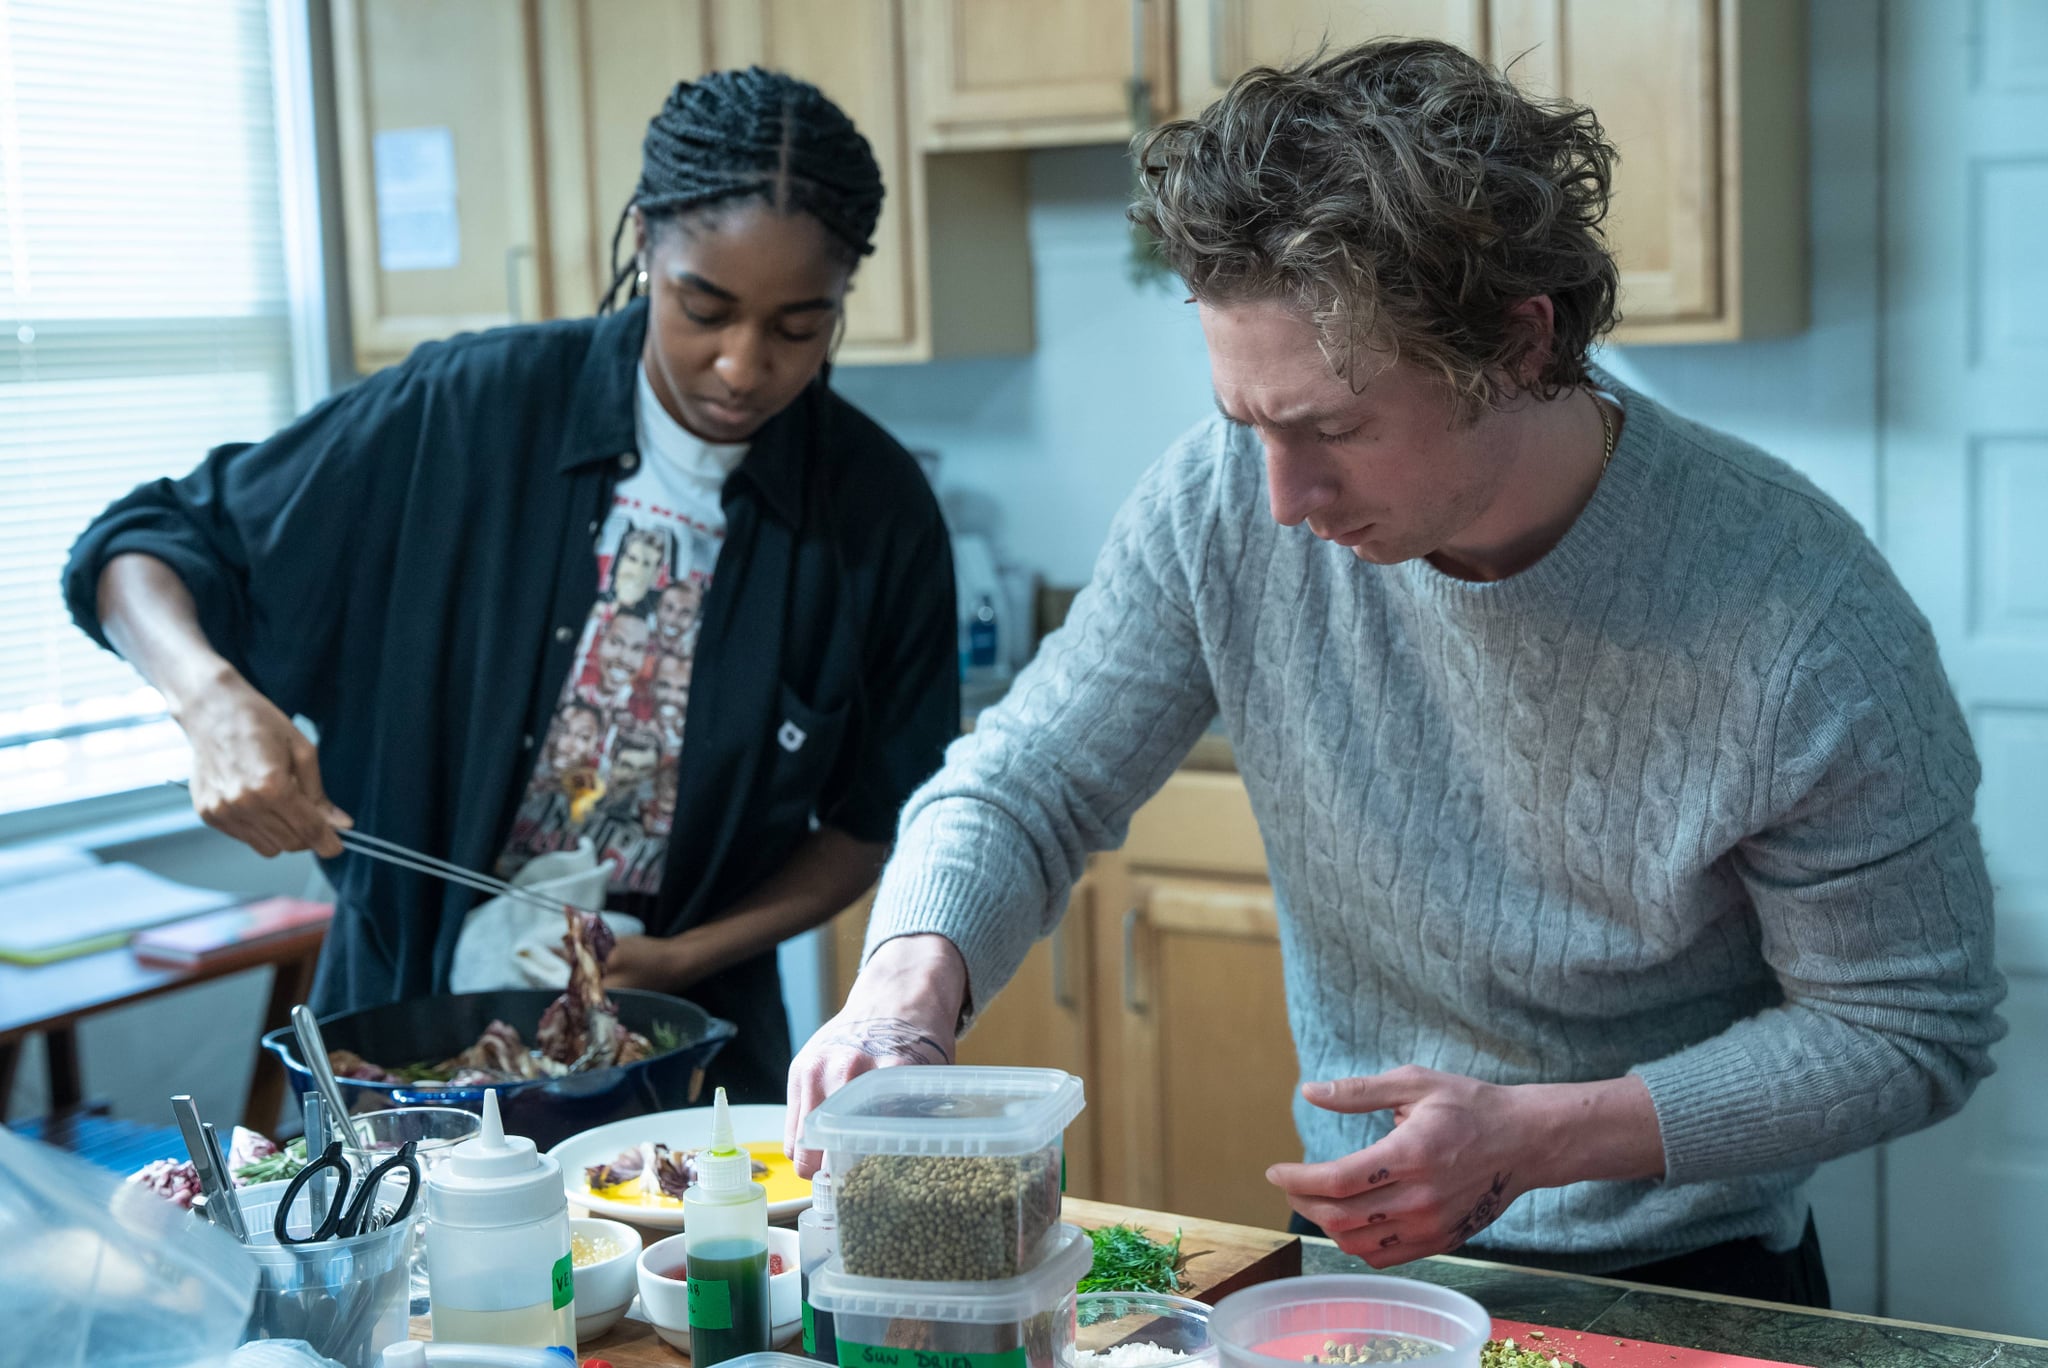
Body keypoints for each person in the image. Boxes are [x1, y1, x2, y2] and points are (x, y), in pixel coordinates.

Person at [787, 40, 2006, 1304]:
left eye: (1332, 429)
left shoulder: (1801, 618)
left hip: (1687, 1283)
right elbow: (1025, 780)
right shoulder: (1220, 508)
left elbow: (1904, 1029)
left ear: (1521, 347)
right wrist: (903, 982)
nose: (1279, 497)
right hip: (1365, 1272)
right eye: (1245, 423)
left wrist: (1539, 1139)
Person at [65, 68, 958, 1103]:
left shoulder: (873, 511)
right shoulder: (463, 413)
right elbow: (144, 542)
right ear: (643, 241)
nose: (740, 366)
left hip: (692, 1059)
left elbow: (871, 822)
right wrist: (210, 702)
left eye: (799, 328)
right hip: (400, 1057)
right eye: (702, 308)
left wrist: (682, 956)